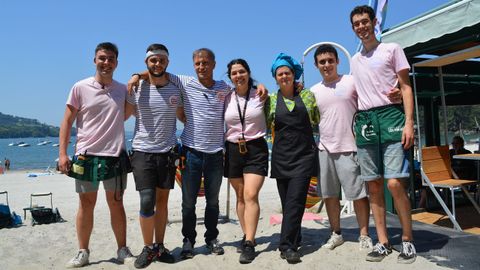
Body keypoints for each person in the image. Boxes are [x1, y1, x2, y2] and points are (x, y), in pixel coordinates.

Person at [128, 48, 267, 260]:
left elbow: (243, 87)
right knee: (188, 202)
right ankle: (188, 240)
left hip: (216, 153)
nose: (201, 67)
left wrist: (260, 86)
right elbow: (157, 72)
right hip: (191, 152)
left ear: (213, 64)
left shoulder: (224, 88)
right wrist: (136, 76)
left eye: (205, 63)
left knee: (213, 201)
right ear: (194, 66)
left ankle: (211, 238)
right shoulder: (184, 82)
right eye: (197, 64)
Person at [350, 5, 416, 264]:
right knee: (374, 185)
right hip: (366, 121)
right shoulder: (355, 60)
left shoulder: (392, 49)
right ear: (353, 28)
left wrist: (409, 122)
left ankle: (408, 240)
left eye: (365, 22)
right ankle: (383, 242)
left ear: (374, 22)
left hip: (391, 117)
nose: (361, 27)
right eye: (356, 24)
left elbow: (406, 87)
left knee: (394, 183)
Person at [59, 42, 133, 268]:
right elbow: (67, 121)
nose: (106, 63)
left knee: (116, 204)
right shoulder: (80, 87)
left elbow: (127, 114)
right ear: (94, 60)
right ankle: (83, 251)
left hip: (114, 155)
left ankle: (122, 249)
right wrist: (62, 153)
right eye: (102, 58)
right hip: (86, 156)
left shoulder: (123, 90)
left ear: (116, 63)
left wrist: (135, 79)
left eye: (111, 59)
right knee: (86, 204)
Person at [310, 44, 372, 251]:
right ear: (316, 65)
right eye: (322, 62)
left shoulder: (351, 82)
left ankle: (364, 234)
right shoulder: (313, 91)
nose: (326, 65)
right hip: (324, 149)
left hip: (350, 147)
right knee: (329, 195)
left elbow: (369, 103)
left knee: (358, 195)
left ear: (337, 61)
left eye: (330, 60)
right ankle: (336, 233)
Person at [125, 44, 178, 268]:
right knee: (147, 201)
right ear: (147, 62)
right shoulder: (136, 88)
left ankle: (159, 245)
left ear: (167, 62)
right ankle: (147, 248)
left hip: (167, 152)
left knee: (162, 201)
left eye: (161, 60)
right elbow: (123, 116)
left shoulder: (176, 88)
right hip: (142, 151)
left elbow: (186, 115)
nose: (157, 64)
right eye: (153, 60)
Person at [267, 53, 319, 264]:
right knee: (288, 202)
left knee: (296, 200)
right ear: (275, 77)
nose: (284, 77)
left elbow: (316, 120)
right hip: (281, 157)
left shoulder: (307, 96)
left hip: (304, 156)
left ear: (293, 74)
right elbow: (264, 123)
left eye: (287, 73)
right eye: (280, 74)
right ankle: (295, 239)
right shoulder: (270, 100)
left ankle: (286, 246)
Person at [224, 59, 268, 264]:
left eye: (242, 71)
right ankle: (246, 234)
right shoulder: (226, 96)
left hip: (256, 148)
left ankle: (249, 242)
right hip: (233, 149)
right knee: (240, 196)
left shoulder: (260, 94)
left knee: (251, 194)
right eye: (234, 73)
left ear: (249, 73)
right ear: (230, 77)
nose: (238, 76)